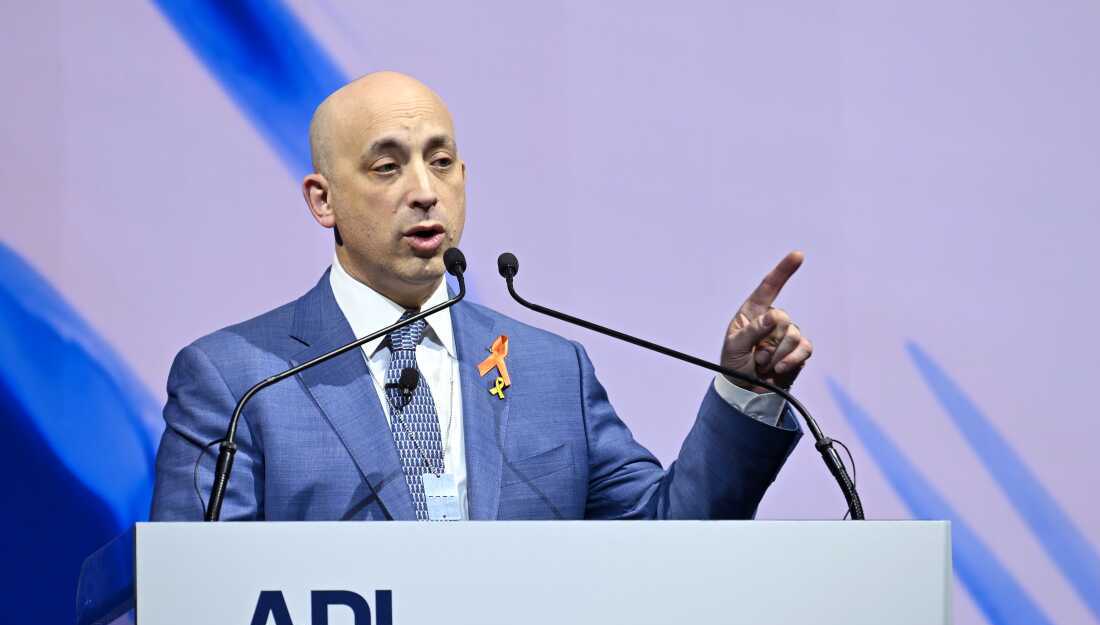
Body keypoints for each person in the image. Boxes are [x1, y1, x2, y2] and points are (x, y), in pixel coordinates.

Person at [150, 72, 813, 521]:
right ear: (324, 200)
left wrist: (742, 391)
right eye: (388, 166)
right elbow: (196, 608)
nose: (424, 190)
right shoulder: (238, 380)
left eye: (440, 162)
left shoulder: (552, 370)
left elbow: (666, 539)